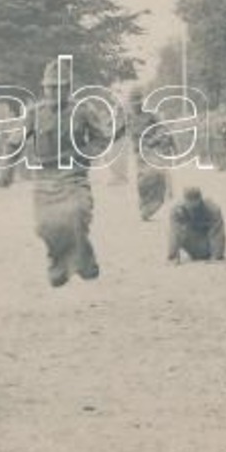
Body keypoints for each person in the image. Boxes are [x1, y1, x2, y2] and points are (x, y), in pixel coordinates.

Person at [25, 59, 116, 287]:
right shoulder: (34, 113)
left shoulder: (83, 111)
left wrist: (83, 155)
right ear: (43, 87)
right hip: (44, 176)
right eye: (50, 87)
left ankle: (83, 259)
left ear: (69, 88)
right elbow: (15, 141)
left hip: (73, 175)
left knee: (76, 214)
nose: (54, 92)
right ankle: (57, 261)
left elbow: (103, 138)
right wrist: (5, 167)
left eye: (60, 86)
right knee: (45, 225)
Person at [130, 91, 174, 222]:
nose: (135, 106)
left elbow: (163, 129)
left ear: (142, 103)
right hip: (139, 153)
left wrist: (154, 139)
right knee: (142, 182)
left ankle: (152, 207)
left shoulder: (150, 117)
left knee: (156, 176)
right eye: (133, 104)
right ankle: (145, 206)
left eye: (138, 103)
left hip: (152, 150)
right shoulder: (130, 118)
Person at [167, 186, 226, 263]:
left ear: (200, 200)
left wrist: (216, 256)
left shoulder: (213, 209)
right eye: (189, 205)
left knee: (215, 236)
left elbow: (217, 233)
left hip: (207, 244)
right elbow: (175, 233)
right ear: (184, 200)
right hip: (191, 242)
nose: (192, 209)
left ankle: (211, 253)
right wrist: (172, 255)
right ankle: (175, 255)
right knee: (180, 230)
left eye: (195, 206)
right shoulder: (177, 211)